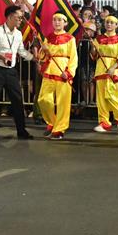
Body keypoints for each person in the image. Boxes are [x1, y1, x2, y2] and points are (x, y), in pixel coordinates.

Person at [0, 5, 36, 140]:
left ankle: (21, 131)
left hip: (11, 71)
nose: (20, 20)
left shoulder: (18, 34)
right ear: (9, 17)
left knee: (18, 101)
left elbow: (21, 51)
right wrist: (3, 58)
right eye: (18, 17)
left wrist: (34, 58)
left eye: (21, 18)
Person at [36, 12, 78, 140]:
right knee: (43, 99)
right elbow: (43, 57)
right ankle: (52, 122)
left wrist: (69, 73)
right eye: (54, 19)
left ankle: (59, 129)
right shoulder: (48, 37)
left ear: (65, 23)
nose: (57, 22)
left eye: (60, 20)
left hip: (63, 72)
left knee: (62, 103)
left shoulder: (70, 38)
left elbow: (74, 58)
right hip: (49, 70)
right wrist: (43, 50)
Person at [92, 15, 118, 133]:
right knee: (101, 98)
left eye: (112, 22)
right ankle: (104, 123)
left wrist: (114, 67)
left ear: (116, 25)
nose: (109, 24)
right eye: (107, 22)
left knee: (111, 95)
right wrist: (93, 48)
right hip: (100, 68)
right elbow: (94, 55)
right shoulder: (99, 39)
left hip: (112, 69)